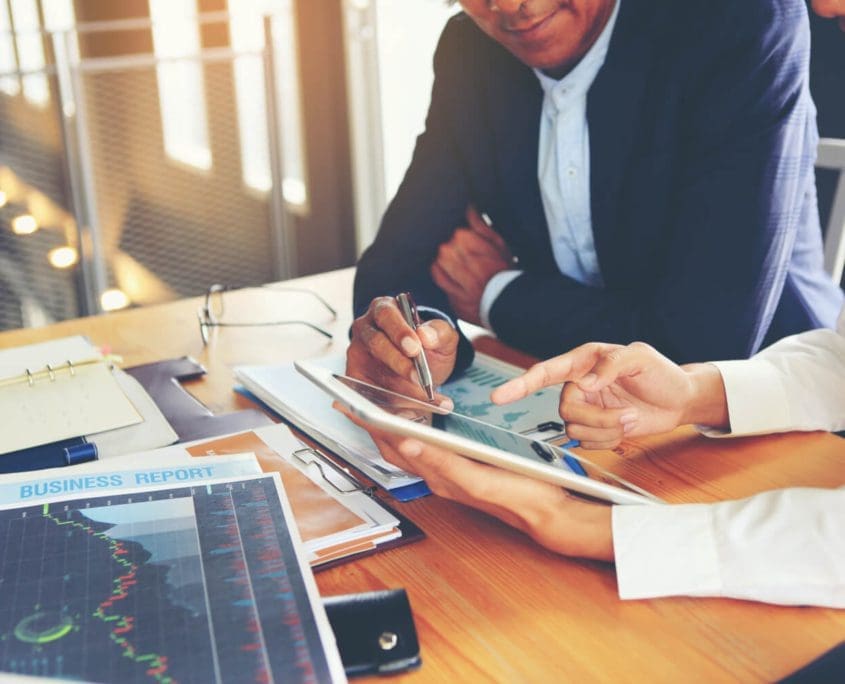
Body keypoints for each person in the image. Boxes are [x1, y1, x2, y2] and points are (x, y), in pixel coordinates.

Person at [347, 0, 843, 401]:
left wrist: (498, 293)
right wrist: (424, 340)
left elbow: (695, 347)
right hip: (571, 399)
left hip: (769, 405)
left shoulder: (738, 20)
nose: (511, 6)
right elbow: (396, 266)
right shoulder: (471, 50)